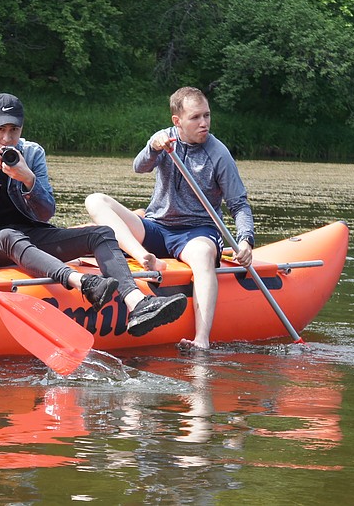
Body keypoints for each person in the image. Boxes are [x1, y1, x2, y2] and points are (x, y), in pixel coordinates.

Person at [0, 93, 188, 337]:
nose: (7, 138)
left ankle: (137, 303)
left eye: (14, 130)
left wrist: (28, 179)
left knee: (102, 233)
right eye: (1, 129)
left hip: (33, 236)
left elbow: (45, 214)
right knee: (9, 236)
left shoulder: (32, 154)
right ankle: (83, 283)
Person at [84, 86, 255, 350]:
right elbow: (139, 167)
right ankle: (141, 256)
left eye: (207, 116)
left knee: (201, 256)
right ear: (177, 121)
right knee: (95, 200)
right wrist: (153, 148)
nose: (204, 123)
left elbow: (239, 204)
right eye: (195, 117)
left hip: (196, 232)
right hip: (156, 227)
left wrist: (245, 241)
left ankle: (202, 339)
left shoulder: (218, 153)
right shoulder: (164, 139)